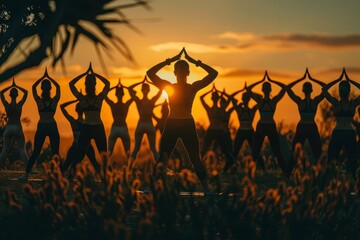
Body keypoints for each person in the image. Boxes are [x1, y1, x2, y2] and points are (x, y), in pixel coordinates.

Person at [146, 48, 218, 193]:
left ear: (174, 73)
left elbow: (150, 73)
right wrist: (196, 63)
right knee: (190, 158)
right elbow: (213, 74)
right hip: (181, 124)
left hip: (177, 124)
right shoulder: (191, 87)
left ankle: (206, 189)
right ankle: (206, 188)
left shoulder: (171, 87)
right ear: (188, 73)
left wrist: (169, 61)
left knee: (167, 158)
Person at [20, 68, 61, 180]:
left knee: (36, 152)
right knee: (55, 153)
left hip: (42, 125)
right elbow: (58, 88)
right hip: (52, 125)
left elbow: (33, 87)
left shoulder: (39, 101)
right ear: (50, 89)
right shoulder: (54, 101)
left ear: (42, 89)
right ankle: (57, 176)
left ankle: (26, 175)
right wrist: (50, 78)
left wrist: (43, 77)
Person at [69, 63, 110, 169]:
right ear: (95, 85)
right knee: (102, 155)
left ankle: (70, 176)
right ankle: (109, 178)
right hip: (93, 128)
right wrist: (95, 74)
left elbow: (71, 84)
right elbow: (107, 83)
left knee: (81, 155)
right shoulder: (99, 98)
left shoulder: (82, 99)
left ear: (86, 85)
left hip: (88, 128)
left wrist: (85, 74)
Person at [246, 71, 287, 174]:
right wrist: (262, 80)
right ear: (264, 90)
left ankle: (286, 172)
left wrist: (270, 80)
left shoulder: (272, 101)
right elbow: (248, 90)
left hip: (268, 126)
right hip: (263, 126)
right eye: (266, 88)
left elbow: (284, 89)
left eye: (268, 88)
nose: (267, 90)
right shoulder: (262, 101)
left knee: (276, 151)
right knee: (255, 151)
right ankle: (250, 173)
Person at [286, 69, 325, 176]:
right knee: (294, 153)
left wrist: (311, 79)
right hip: (302, 127)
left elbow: (326, 89)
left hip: (311, 127)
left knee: (318, 153)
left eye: (308, 87)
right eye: (306, 87)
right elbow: (287, 88)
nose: (307, 89)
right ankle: (287, 175)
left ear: (311, 90)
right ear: (304, 90)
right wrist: (302, 79)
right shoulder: (300, 101)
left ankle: (321, 176)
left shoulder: (315, 101)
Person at [322, 68, 360, 178]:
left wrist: (345, 80)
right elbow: (324, 90)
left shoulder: (339, 104)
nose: (341, 91)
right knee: (333, 161)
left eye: (342, 88)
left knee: (351, 161)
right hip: (346, 133)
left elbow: (324, 90)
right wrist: (342, 79)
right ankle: (328, 185)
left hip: (342, 133)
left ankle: (354, 186)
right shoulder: (350, 104)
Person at [200, 85, 235, 171]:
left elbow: (201, 97)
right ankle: (198, 167)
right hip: (214, 130)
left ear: (212, 98)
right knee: (206, 149)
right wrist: (220, 92)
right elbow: (230, 98)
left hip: (216, 130)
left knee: (223, 150)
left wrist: (211, 91)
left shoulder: (213, 109)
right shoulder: (219, 109)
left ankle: (233, 166)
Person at [60, 100, 100, 175]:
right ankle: (106, 178)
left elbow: (62, 107)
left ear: (76, 110)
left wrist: (76, 100)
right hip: (85, 146)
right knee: (94, 163)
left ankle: (62, 179)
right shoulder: (88, 122)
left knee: (67, 164)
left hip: (78, 145)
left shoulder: (74, 122)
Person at [128, 77, 162, 164]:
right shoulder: (152, 101)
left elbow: (130, 89)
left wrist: (141, 82)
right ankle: (161, 166)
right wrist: (150, 83)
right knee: (153, 149)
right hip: (149, 125)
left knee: (136, 149)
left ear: (142, 90)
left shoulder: (139, 101)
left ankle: (130, 167)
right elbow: (161, 90)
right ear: (149, 90)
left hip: (141, 125)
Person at [0, 78, 28, 167]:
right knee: (22, 149)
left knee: (4, 149)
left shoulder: (7, 105)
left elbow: (1, 93)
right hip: (17, 127)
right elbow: (26, 92)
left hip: (9, 127)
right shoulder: (19, 105)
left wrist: (10, 87)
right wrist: (16, 86)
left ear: (10, 95)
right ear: (17, 95)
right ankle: (28, 168)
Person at [105, 80, 133, 160]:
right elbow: (134, 94)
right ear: (123, 94)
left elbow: (104, 95)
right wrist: (125, 87)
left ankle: (105, 169)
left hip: (115, 128)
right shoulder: (126, 104)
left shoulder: (113, 105)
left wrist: (114, 87)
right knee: (128, 154)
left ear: (116, 95)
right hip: (123, 127)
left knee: (109, 153)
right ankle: (130, 170)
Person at [231, 83, 257, 160]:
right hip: (241, 131)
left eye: (246, 98)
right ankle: (227, 169)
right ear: (242, 99)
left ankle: (261, 169)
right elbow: (232, 97)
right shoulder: (240, 110)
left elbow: (261, 98)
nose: (245, 100)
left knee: (255, 151)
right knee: (235, 151)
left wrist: (249, 92)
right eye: (244, 98)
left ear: (249, 99)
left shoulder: (252, 109)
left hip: (250, 131)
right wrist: (243, 90)